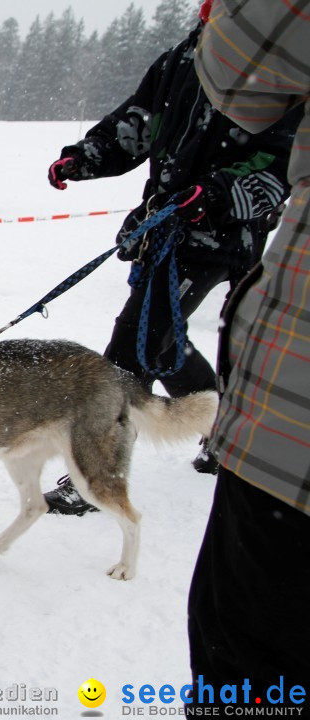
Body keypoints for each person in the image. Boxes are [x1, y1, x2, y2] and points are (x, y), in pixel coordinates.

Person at [42, 6, 299, 516]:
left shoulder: (277, 62)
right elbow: (137, 122)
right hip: (163, 226)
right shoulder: (182, 58)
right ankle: (218, 427)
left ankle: (96, 475)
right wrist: (87, 155)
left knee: (129, 348)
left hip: (222, 235)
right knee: (161, 345)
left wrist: (217, 193)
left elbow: (280, 163)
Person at [188, 0, 310, 704]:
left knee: (250, 673)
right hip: (184, 222)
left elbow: (238, 68)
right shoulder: (165, 74)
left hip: (291, 440)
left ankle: (202, 415)